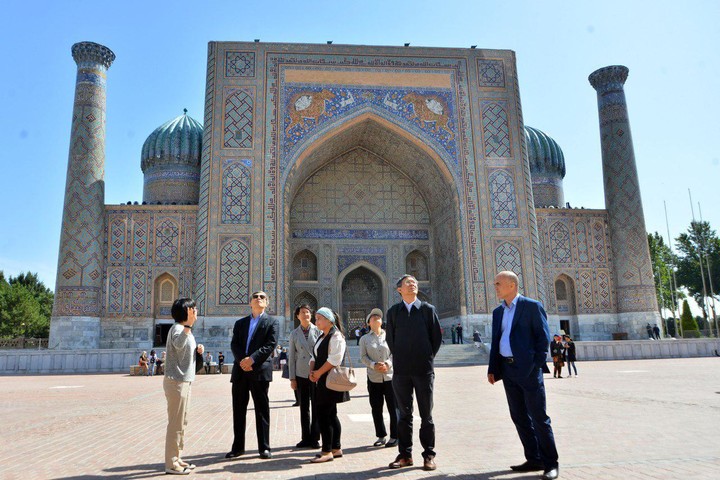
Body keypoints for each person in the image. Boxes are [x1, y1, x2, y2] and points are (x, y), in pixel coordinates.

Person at [487, 271, 559, 480]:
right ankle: (533, 458)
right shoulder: (498, 312)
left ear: (512, 285)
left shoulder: (531, 306)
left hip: (527, 370)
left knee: (539, 418)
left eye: (498, 283)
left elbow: (542, 339)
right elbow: (496, 342)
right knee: (519, 416)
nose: (496, 287)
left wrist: (534, 366)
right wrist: (493, 369)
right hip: (508, 370)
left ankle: (550, 464)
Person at [386, 274, 442, 471]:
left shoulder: (427, 310)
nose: (412, 285)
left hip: (423, 370)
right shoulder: (393, 312)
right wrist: (400, 359)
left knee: (426, 415)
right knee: (404, 415)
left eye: (415, 283)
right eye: (408, 283)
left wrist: (426, 358)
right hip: (401, 372)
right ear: (399, 289)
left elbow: (436, 338)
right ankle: (405, 455)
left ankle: (428, 455)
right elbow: (390, 340)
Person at [226, 290, 278, 460]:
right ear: (250, 303)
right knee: (238, 410)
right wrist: (243, 360)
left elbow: (270, 344)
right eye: (255, 297)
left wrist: (252, 360)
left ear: (267, 303)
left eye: (262, 297)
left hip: (259, 371)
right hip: (241, 371)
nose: (258, 299)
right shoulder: (240, 323)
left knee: (261, 410)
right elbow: (234, 344)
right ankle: (238, 447)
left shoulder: (272, 322)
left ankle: (264, 447)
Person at [163, 297, 204, 475]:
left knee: (181, 422)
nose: (195, 312)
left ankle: (177, 457)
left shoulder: (186, 330)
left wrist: (198, 351)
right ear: (186, 311)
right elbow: (179, 344)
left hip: (184, 381)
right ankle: (171, 464)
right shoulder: (178, 328)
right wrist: (188, 326)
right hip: (176, 381)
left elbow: (185, 353)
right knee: (175, 424)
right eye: (193, 309)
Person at [308, 307, 350, 464]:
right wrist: (312, 370)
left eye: (319, 319)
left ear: (329, 320)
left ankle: (327, 450)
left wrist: (318, 373)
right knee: (330, 414)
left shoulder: (336, 336)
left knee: (324, 415)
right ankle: (336, 448)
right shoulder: (322, 336)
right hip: (322, 379)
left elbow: (334, 359)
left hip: (330, 380)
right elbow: (314, 355)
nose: (316, 321)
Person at [359, 308, 398, 448]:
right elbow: (363, 357)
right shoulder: (364, 339)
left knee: (393, 408)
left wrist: (387, 363)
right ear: (368, 323)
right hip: (373, 377)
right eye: (373, 317)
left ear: (382, 321)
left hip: (389, 377)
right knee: (376, 408)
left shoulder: (390, 336)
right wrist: (374, 365)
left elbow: (395, 353)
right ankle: (381, 436)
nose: (376, 318)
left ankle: (395, 436)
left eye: (378, 317)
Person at [288, 304, 321, 449]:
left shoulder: (318, 330)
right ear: (297, 316)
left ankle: (315, 438)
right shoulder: (294, 334)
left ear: (311, 315)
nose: (305, 315)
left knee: (316, 406)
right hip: (301, 373)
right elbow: (291, 357)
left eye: (307, 312)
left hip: (315, 373)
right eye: (302, 312)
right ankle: (305, 437)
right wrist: (292, 378)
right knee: (304, 407)